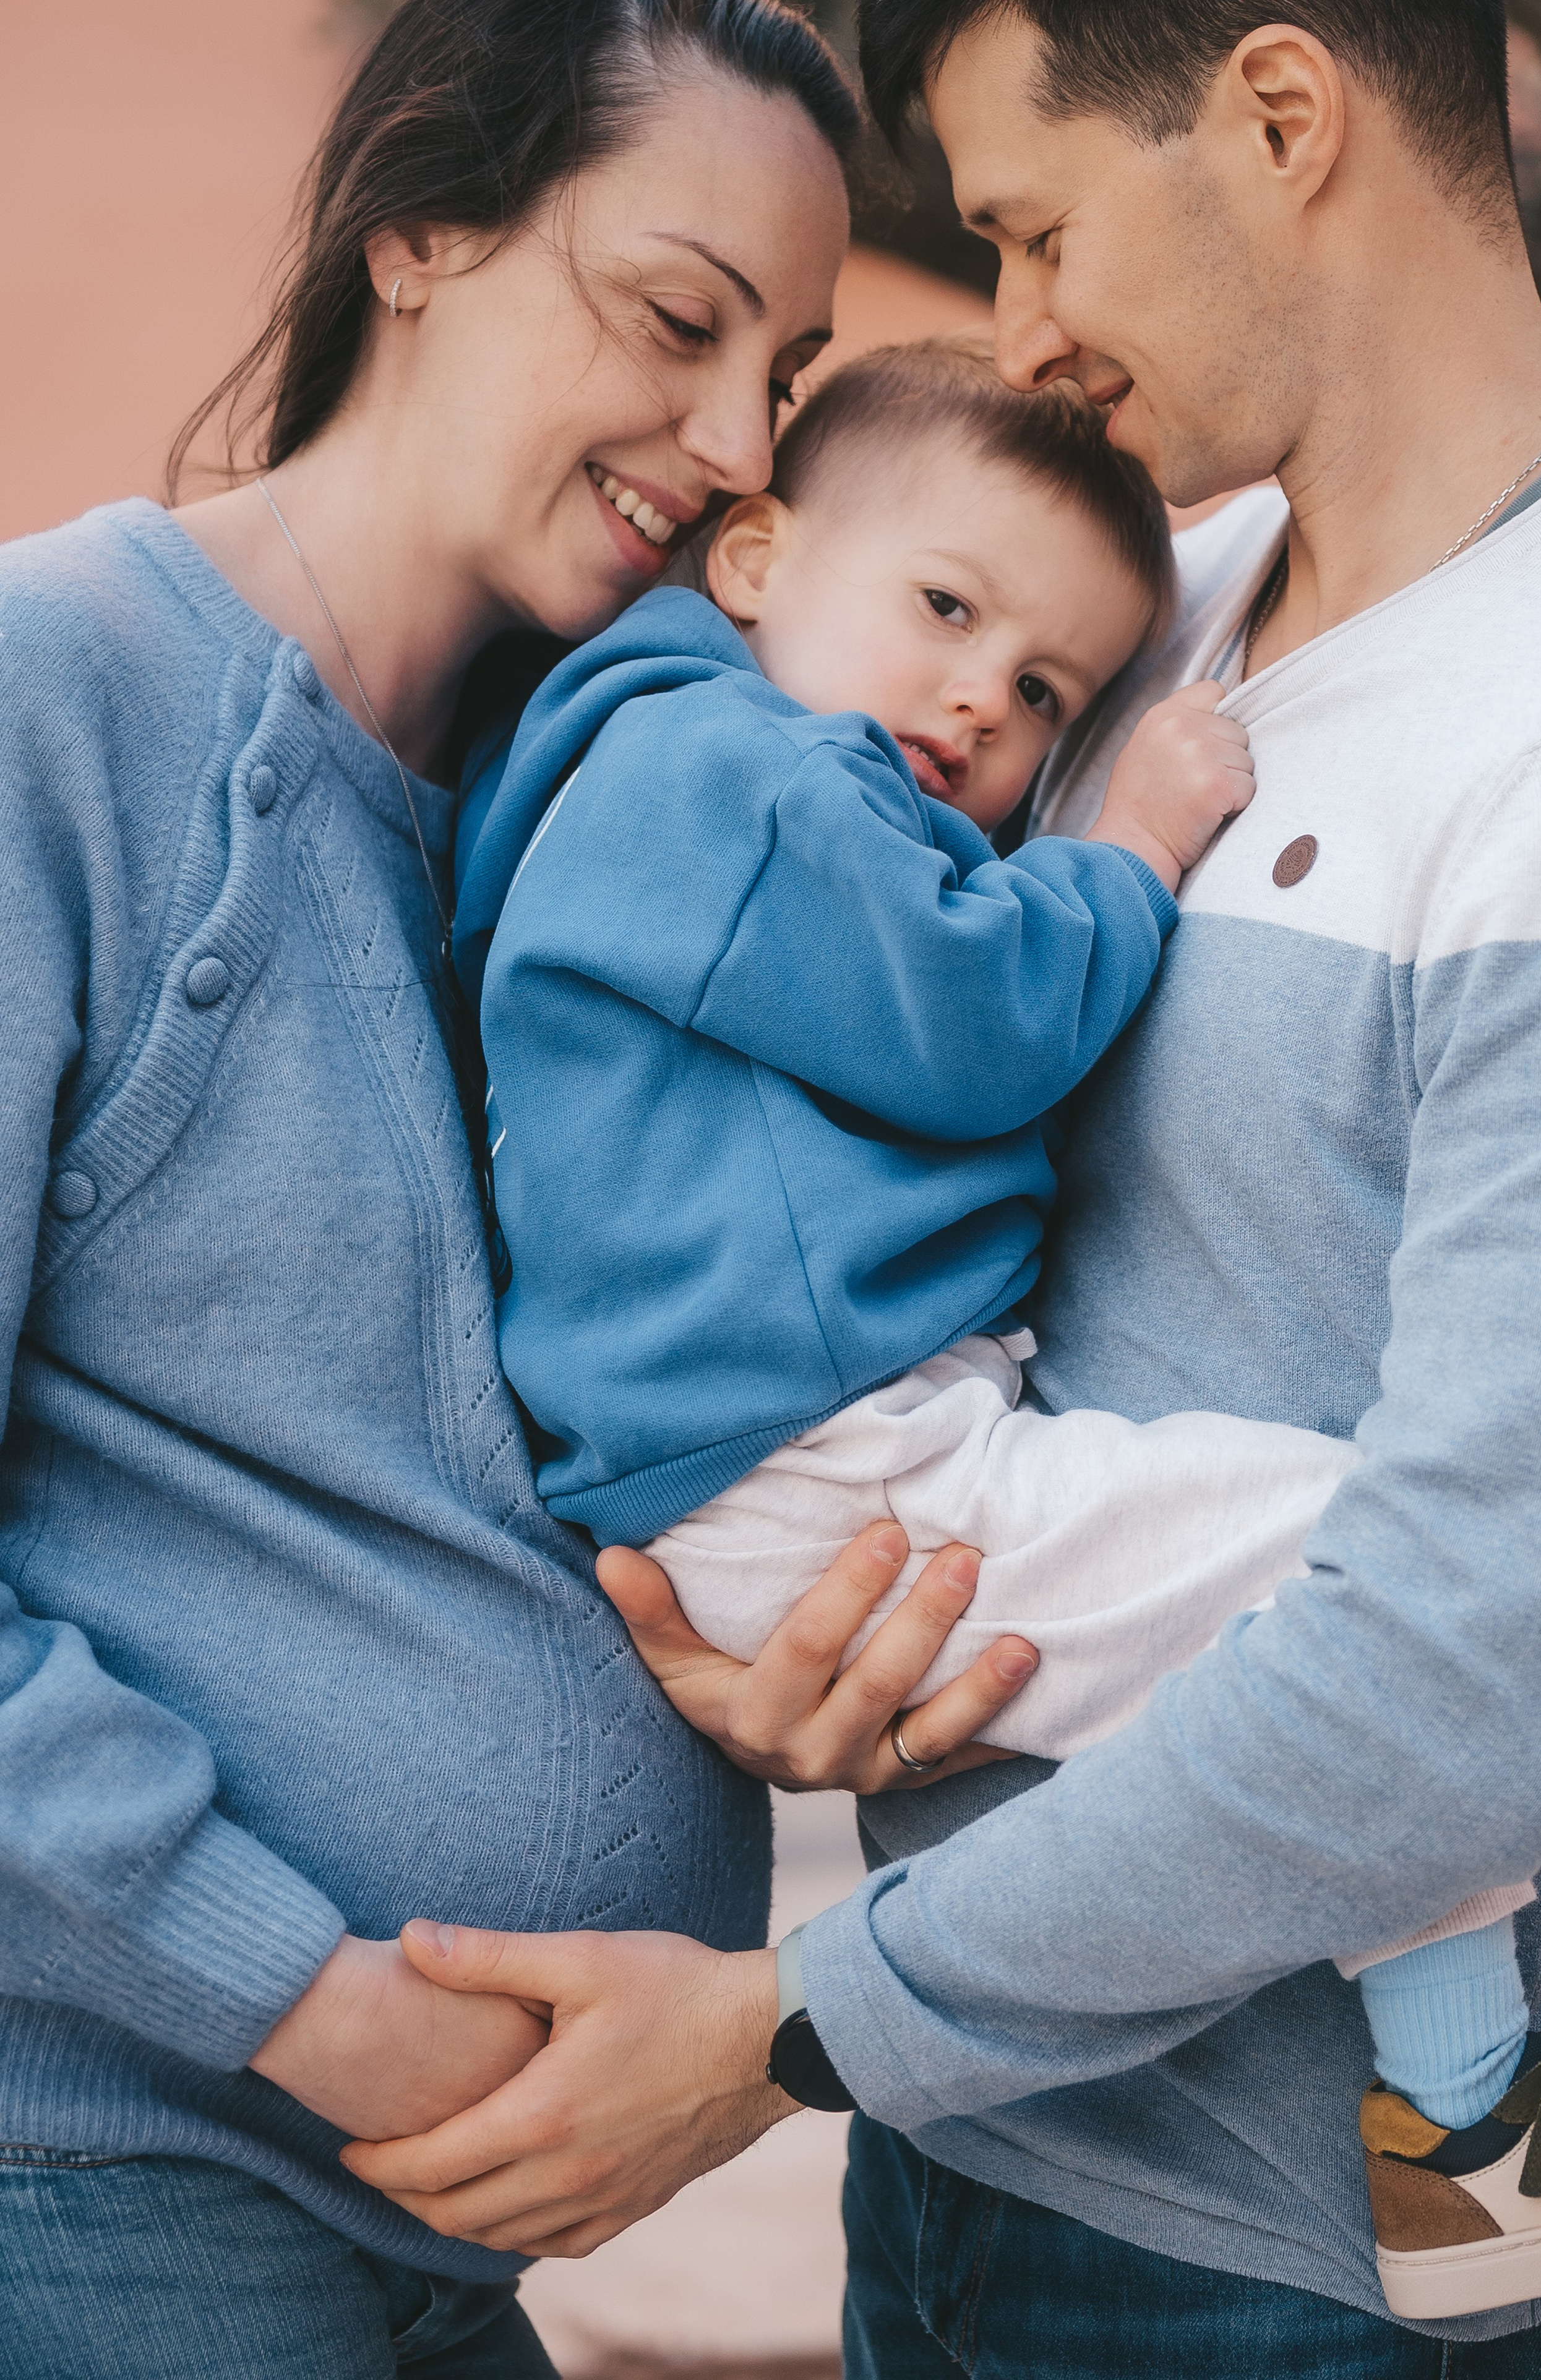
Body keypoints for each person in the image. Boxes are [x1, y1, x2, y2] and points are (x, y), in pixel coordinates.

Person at [340, 1, 1541, 2369]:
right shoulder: (1138, 604)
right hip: (962, 2170)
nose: (1011, 333)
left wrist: (795, 2025)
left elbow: (1479, 1652)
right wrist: (832, 1688)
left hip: (1282, 2271)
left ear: (1283, 115)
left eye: (1030, 229)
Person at [0, 7, 1044, 2376]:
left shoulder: (604, 796)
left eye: (782, 375)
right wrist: (308, 2003)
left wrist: (746, 1665)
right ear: (422, 228)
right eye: (680, 321)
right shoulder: (52, 705)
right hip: (109, 2171)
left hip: (433, 2235)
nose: (728, 441)